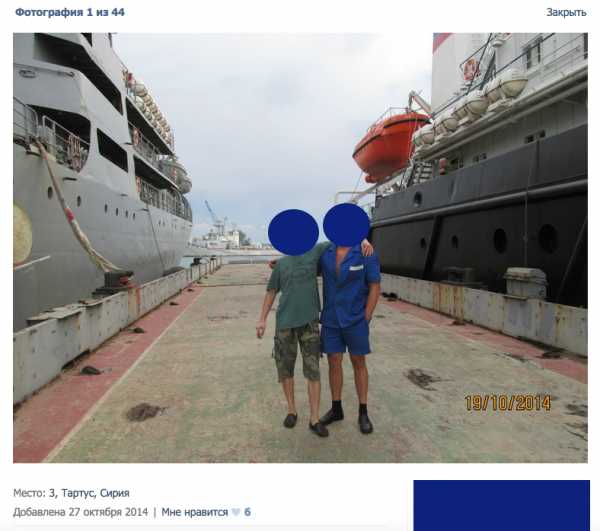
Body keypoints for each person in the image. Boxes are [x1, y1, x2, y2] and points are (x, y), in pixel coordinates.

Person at [257, 240, 373, 438]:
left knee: (313, 371)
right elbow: (271, 292)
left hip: (310, 323)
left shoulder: (315, 251)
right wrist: (262, 319)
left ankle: (314, 418)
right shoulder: (281, 264)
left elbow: (340, 237)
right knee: (285, 369)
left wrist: (361, 238)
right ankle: (291, 410)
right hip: (284, 324)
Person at [318, 242, 381, 434]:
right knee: (334, 361)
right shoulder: (325, 252)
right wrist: (281, 263)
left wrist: (366, 317)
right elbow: (304, 262)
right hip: (331, 318)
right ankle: (336, 409)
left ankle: (363, 412)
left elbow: (375, 286)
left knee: (358, 361)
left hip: (356, 319)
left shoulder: (365, 252)